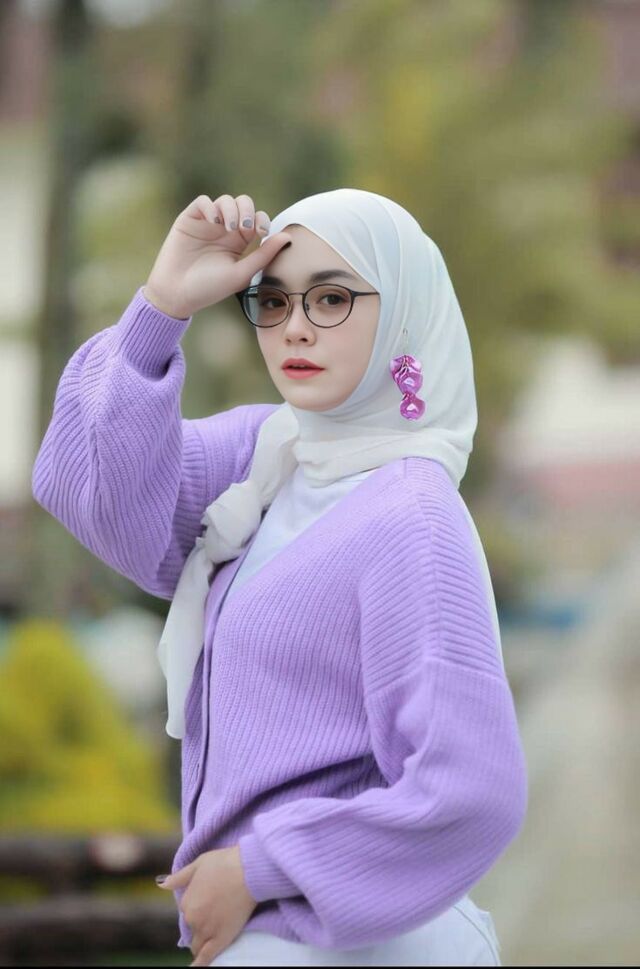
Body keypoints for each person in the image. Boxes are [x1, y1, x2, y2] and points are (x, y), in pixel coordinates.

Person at [32, 189, 527, 967]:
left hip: (359, 943)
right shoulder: (271, 459)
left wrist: (260, 867)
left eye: (330, 298)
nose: (294, 325)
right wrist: (163, 304)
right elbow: (93, 490)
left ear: (401, 314)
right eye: (272, 299)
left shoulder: (410, 517)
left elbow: (472, 787)